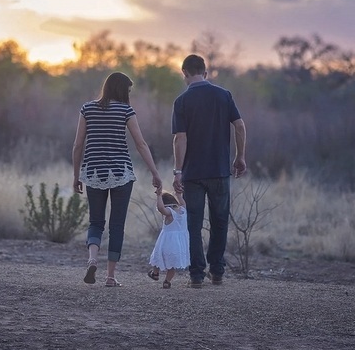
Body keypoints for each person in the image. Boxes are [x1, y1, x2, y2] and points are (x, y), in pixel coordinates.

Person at [72, 72, 162, 287]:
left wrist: (76, 176)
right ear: (122, 90)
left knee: (95, 221)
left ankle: (92, 259)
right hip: (121, 172)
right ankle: (110, 277)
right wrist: (155, 172)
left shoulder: (87, 109)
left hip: (93, 172)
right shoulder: (126, 110)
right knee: (117, 225)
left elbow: (77, 145)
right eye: (128, 91)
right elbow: (141, 144)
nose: (129, 95)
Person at [171, 54, 247, 288]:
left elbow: (180, 139)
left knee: (193, 224)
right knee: (220, 221)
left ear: (184, 73)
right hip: (219, 170)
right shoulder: (223, 95)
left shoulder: (182, 101)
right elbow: (240, 126)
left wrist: (177, 171)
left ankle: (196, 275)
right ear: (205, 72)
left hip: (193, 173)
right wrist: (240, 156)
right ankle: (217, 271)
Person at [147, 190, 190, 289]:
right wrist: (178, 195)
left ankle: (155, 273)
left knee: (157, 257)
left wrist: (158, 196)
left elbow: (161, 208)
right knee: (172, 265)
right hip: (179, 244)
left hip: (167, 242)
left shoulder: (169, 213)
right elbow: (183, 202)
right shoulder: (183, 210)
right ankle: (167, 281)